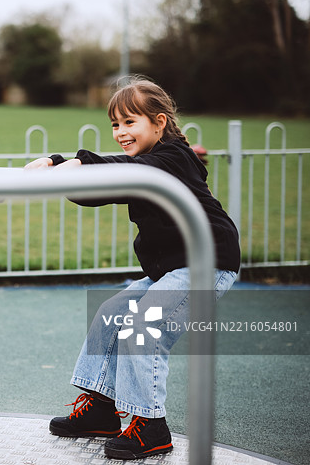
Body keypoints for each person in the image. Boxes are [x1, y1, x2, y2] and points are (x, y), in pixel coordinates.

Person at [25, 76, 240, 460]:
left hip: (208, 261)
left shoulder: (174, 158)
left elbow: (118, 168)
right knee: (112, 313)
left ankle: (151, 426)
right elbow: (104, 187)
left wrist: (73, 161)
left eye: (130, 122)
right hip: (173, 268)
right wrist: (60, 167)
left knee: (144, 328)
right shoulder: (142, 162)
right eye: (115, 124)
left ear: (159, 122)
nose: (121, 132)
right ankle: (102, 408)